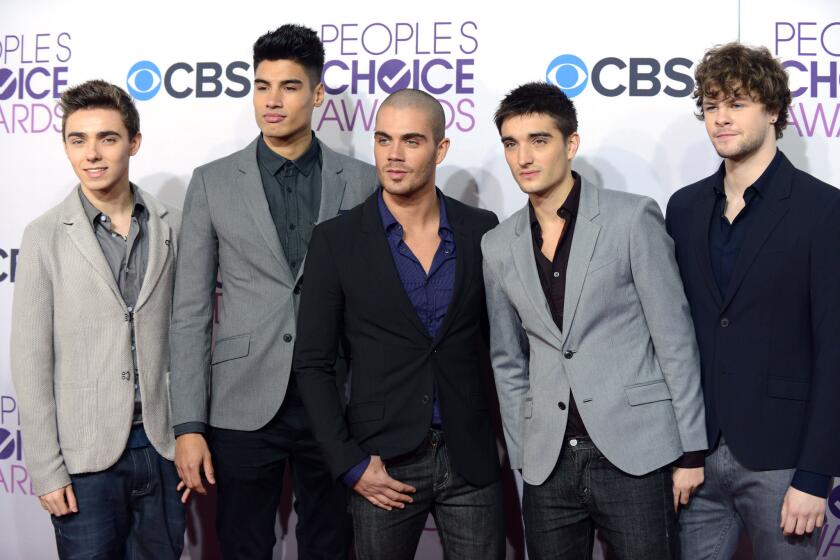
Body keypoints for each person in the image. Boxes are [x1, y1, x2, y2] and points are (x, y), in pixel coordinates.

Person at [169, 24, 376, 559]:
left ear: (317, 94)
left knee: (331, 545)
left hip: (336, 395)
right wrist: (189, 424)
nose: (272, 101)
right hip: (240, 400)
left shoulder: (363, 180)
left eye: (288, 86)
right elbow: (190, 311)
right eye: (262, 86)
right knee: (242, 546)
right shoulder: (212, 181)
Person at [483, 81, 707, 559]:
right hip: (548, 463)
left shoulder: (631, 218)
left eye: (538, 140)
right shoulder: (497, 245)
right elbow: (507, 360)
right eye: (510, 143)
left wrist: (691, 451)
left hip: (635, 452)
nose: (523, 156)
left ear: (571, 144)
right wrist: (524, 453)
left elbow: (674, 336)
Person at [293, 88, 504, 560]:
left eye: (411, 141)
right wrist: (348, 463)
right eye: (383, 139)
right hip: (382, 463)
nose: (393, 154)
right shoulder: (336, 240)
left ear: (441, 149)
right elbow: (312, 363)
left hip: (469, 457)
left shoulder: (482, 230)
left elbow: (501, 347)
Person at [666, 42, 840, 559]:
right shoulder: (684, 207)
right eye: (712, 105)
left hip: (782, 461)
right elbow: (677, 333)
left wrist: (814, 474)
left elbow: (835, 348)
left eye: (737, 103)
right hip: (695, 459)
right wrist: (682, 449)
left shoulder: (822, 209)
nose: (721, 118)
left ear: (773, 110)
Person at [10, 79, 184, 559]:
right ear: (65, 146)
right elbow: (29, 361)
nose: (92, 154)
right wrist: (45, 469)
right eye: (77, 139)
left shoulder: (174, 223)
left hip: (163, 446)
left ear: (134, 142)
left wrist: (191, 436)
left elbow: (191, 338)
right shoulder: (44, 235)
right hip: (84, 459)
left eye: (107, 138)